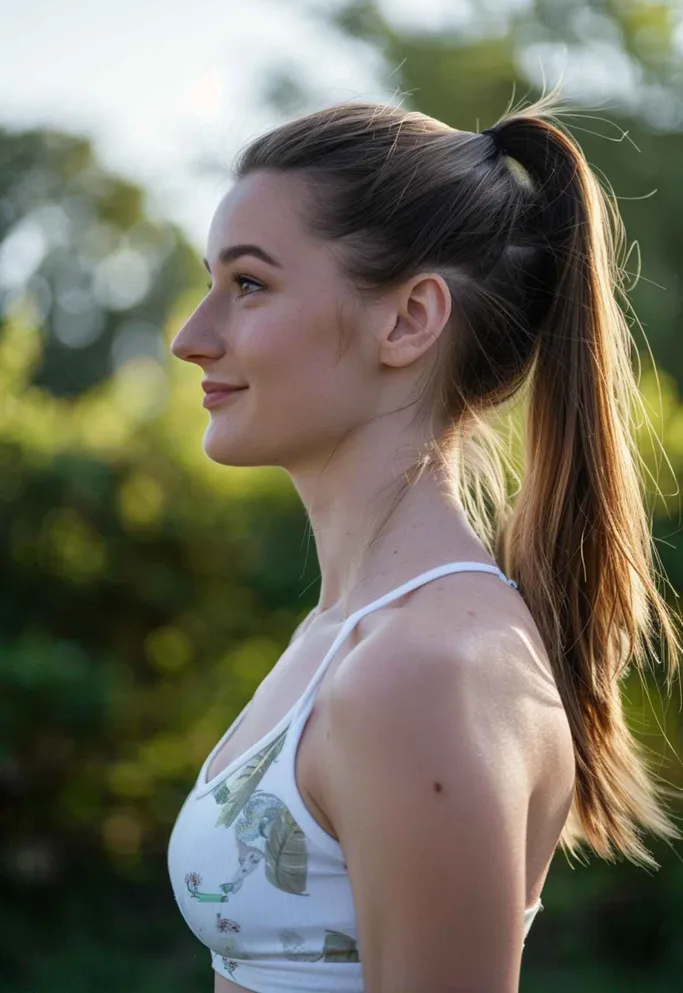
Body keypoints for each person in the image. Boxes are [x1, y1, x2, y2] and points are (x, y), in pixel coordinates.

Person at [166, 91, 682, 993]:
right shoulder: (349, 635)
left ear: (408, 320)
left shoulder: (427, 667)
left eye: (248, 285)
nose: (190, 339)